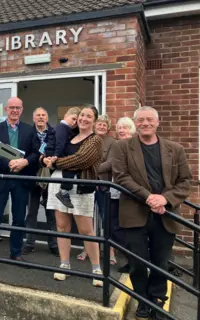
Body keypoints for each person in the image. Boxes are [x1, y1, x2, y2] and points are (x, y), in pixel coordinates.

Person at [112, 106, 191, 320]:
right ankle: (142, 300)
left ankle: (157, 299)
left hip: (165, 214)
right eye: (141, 120)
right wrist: (149, 197)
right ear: (135, 123)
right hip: (134, 213)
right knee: (137, 262)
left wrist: (165, 199)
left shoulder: (175, 149)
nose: (145, 123)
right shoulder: (122, 147)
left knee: (160, 261)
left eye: (149, 120)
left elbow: (185, 181)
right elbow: (121, 177)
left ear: (157, 123)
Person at [0, 97, 40, 275]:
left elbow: (36, 153)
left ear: (21, 109)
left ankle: (16, 253)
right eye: (11, 107)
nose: (14, 110)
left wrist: (25, 162)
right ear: (5, 109)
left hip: (21, 180)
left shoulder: (29, 130)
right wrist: (9, 163)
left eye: (17, 108)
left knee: (19, 219)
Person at [43, 105, 104, 287]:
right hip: (59, 185)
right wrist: (45, 158)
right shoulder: (69, 135)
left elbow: (81, 160)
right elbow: (51, 149)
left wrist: (55, 163)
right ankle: (64, 265)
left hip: (81, 188)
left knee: (86, 230)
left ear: (94, 120)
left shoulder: (95, 140)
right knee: (62, 227)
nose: (84, 119)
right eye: (82, 115)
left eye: (88, 116)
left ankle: (96, 268)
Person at [77, 114, 116, 262]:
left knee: (106, 219)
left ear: (108, 128)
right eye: (99, 124)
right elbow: (81, 159)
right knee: (87, 219)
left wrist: (91, 167)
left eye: (104, 125)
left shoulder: (112, 142)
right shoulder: (87, 139)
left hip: (103, 185)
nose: (101, 126)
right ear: (94, 125)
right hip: (87, 183)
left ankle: (110, 251)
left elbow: (111, 163)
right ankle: (87, 249)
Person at [23, 107, 58, 256]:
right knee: (32, 212)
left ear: (47, 118)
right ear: (33, 118)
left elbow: (58, 149)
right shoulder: (27, 133)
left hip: (50, 176)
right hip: (33, 176)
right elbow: (26, 152)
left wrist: (51, 159)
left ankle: (54, 244)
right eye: (38, 115)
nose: (41, 117)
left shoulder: (55, 133)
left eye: (43, 115)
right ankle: (30, 243)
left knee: (51, 213)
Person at [110, 117, 136, 274]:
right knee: (114, 228)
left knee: (129, 229)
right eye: (119, 127)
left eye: (125, 128)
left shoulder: (134, 146)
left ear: (131, 130)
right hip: (114, 193)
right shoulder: (117, 145)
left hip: (129, 194)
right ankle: (132, 260)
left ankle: (135, 261)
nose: (121, 130)